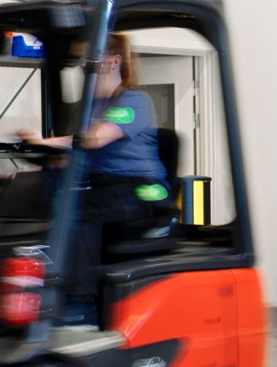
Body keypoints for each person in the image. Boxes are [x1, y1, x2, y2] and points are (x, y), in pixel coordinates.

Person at [21, 32, 168, 324]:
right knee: (49, 198)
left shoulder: (133, 101)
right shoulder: (90, 107)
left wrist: (48, 142)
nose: (84, 67)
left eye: (90, 60)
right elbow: (77, 152)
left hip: (147, 190)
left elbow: (95, 140)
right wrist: (39, 157)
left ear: (113, 61)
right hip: (105, 185)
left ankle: (80, 300)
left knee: (83, 208)